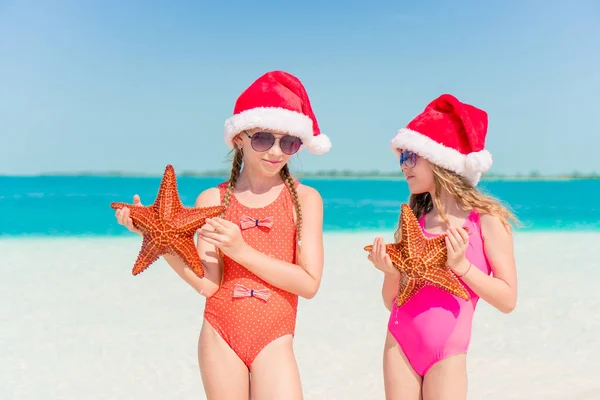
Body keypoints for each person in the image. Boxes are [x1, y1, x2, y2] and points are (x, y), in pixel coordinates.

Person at [115, 70, 331, 399]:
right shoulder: (213, 200)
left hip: (275, 339)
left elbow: (309, 283)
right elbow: (208, 283)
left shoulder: (305, 199)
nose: (275, 151)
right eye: (262, 138)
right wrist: (158, 237)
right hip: (220, 334)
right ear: (240, 137)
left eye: (288, 142)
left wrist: (242, 252)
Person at [367, 94, 518, 400]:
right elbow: (391, 302)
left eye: (410, 157)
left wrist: (462, 267)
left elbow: (508, 300)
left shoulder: (485, 220)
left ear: (439, 161)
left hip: (448, 351)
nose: (403, 166)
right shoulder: (417, 219)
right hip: (398, 341)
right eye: (401, 158)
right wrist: (389, 271)